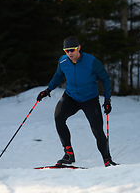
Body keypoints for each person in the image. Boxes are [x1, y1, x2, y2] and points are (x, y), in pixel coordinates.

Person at [37, 36, 117, 167]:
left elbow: (106, 78)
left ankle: (107, 160)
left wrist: (107, 99)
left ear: (79, 48)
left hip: (89, 99)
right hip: (71, 97)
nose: (69, 53)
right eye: (66, 50)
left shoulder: (91, 62)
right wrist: (48, 90)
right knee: (59, 117)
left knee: (97, 130)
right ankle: (68, 154)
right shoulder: (63, 62)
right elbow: (58, 76)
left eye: (72, 49)